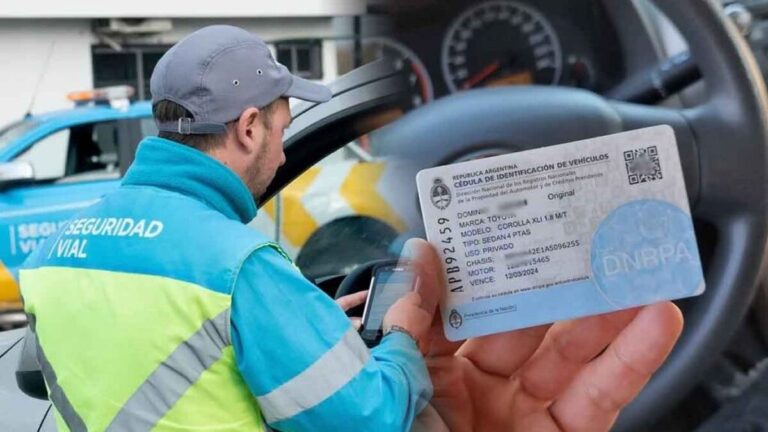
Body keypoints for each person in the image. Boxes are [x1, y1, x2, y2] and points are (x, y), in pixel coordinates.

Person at [18, 25, 682, 432]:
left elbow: (142, 365)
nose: (281, 149)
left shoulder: (55, 253)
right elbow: (369, 418)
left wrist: (297, 331)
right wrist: (402, 336)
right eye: (281, 129)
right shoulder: (237, 266)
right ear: (248, 128)